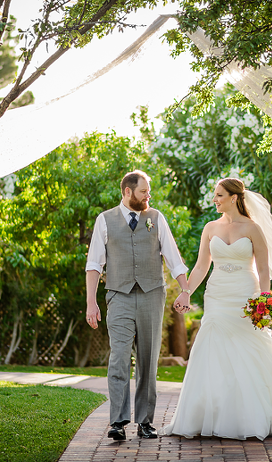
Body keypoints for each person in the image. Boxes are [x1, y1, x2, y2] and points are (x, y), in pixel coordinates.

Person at [162, 178, 272, 440]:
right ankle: (208, 414)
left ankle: (250, 415)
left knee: (247, 348)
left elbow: (264, 269)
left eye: (219, 195)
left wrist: (265, 299)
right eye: (215, 195)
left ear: (234, 198)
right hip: (217, 294)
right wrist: (186, 291)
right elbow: (201, 266)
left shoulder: (253, 228)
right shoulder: (210, 228)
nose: (215, 199)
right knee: (213, 347)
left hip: (246, 294)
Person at [85, 170, 191, 441]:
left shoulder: (156, 218)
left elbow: (173, 257)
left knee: (148, 360)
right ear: (127, 192)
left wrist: (185, 289)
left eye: (148, 191)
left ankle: (145, 422)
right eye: (144, 191)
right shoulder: (105, 220)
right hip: (118, 296)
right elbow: (95, 264)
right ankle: (118, 421)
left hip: (151, 295)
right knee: (119, 358)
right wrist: (91, 303)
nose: (148, 196)